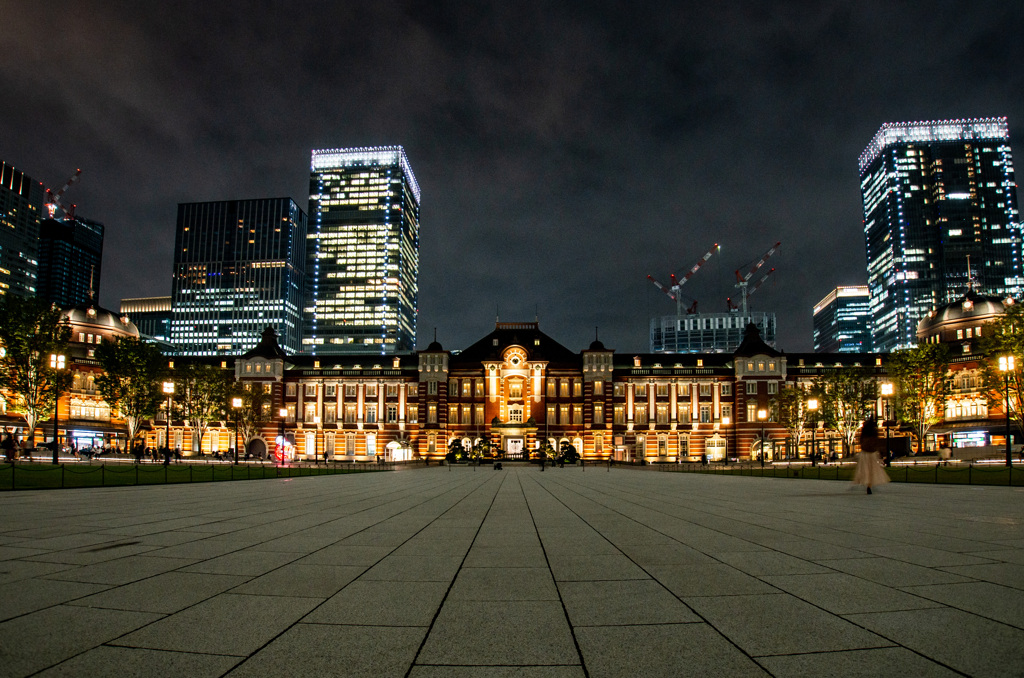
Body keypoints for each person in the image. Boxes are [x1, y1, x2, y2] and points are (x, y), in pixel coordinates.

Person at [853, 418, 891, 495]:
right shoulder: (874, 431)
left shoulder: (864, 431)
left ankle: (865, 482)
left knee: (865, 470)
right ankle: (869, 485)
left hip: (865, 453)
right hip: (872, 453)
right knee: (872, 470)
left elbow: (861, 441)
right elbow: (877, 441)